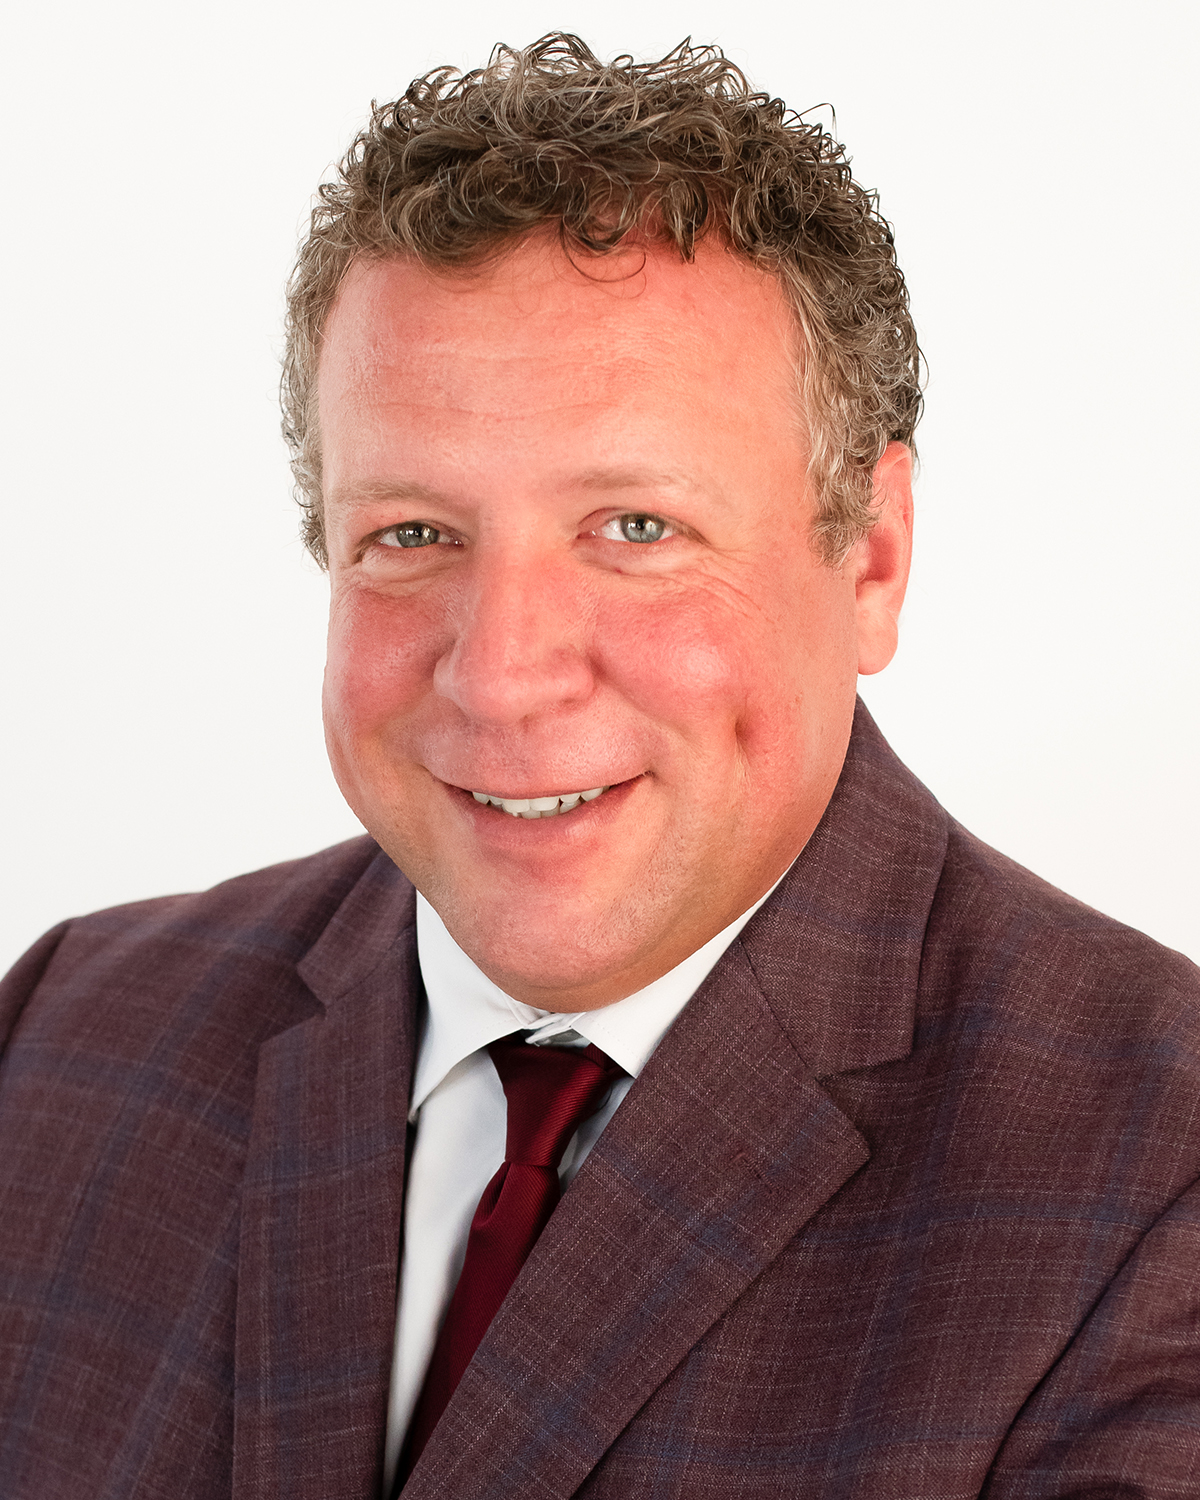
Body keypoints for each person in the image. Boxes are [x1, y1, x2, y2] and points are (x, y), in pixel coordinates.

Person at [1, 32, 1198, 1500]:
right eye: (412, 534)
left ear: (874, 560)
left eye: (637, 527)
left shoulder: (1159, 1181)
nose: (501, 674)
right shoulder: (61, 1044)